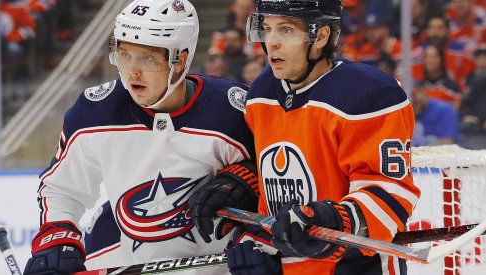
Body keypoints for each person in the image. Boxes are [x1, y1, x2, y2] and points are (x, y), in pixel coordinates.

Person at [22, 0, 259, 274]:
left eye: (148, 58)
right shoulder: (97, 112)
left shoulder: (233, 111)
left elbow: (280, 175)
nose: (132, 71)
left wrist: (248, 177)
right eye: (125, 54)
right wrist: (58, 237)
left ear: (180, 59)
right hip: (120, 254)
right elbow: (62, 188)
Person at [189, 0, 421, 274]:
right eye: (267, 29)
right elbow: (269, 174)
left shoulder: (369, 95)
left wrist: (334, 219)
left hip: (356, 267)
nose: (271, 42)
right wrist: (243, 183)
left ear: (321, 35)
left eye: (285, 30)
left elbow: (391, 195)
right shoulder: (262, 92)